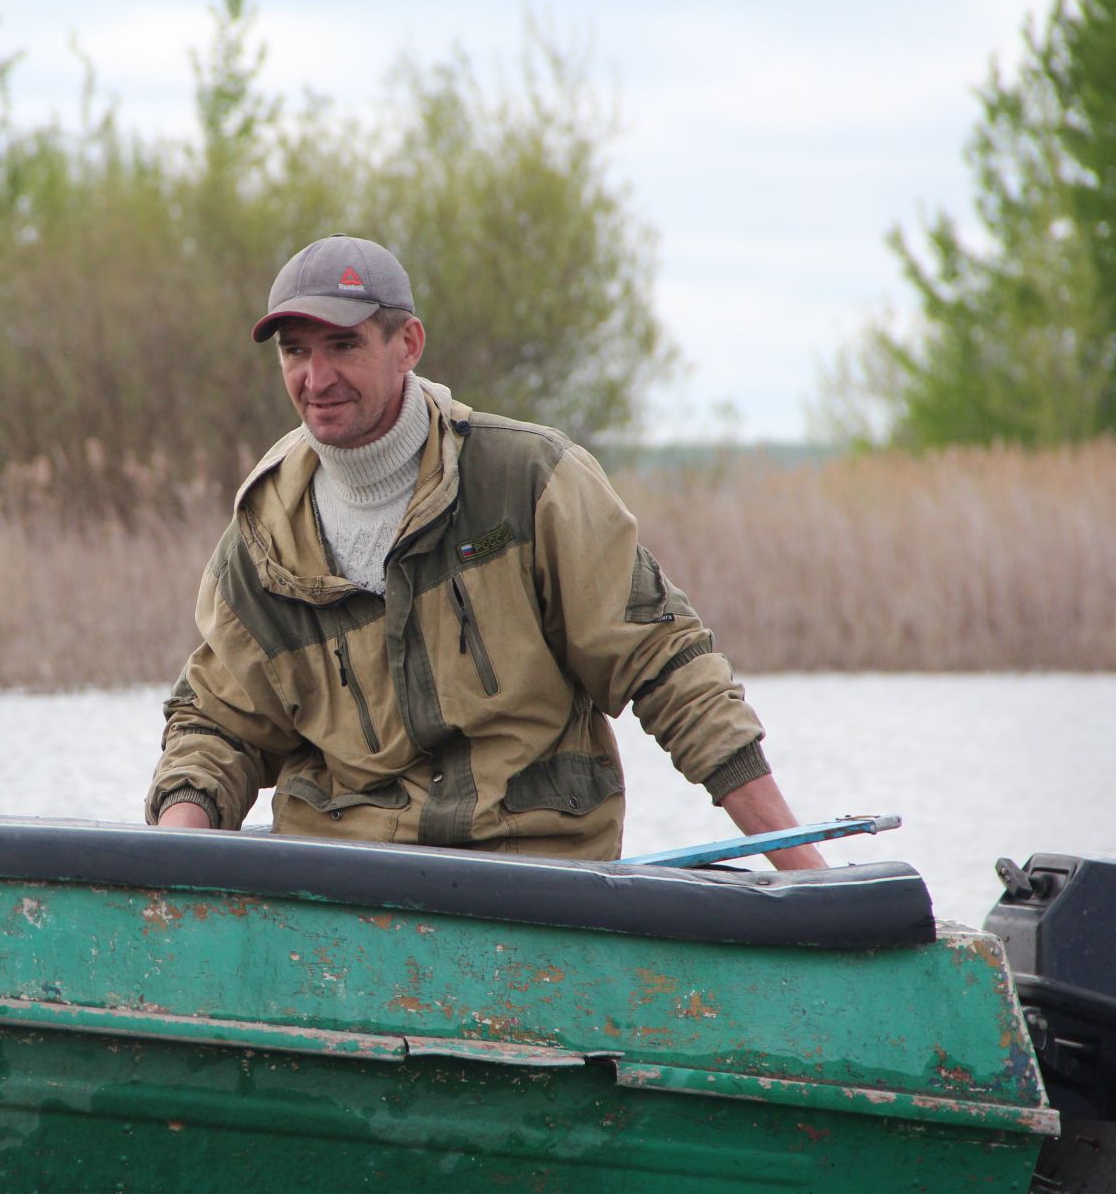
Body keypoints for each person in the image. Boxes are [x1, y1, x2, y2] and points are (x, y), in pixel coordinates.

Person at [145, 234, 825, 870]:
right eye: (295, 352)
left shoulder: (532, 480)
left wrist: (805, 870)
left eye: (343, 346)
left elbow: (667, 669)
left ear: (407, 343)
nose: (316, 378)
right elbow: (216, 727)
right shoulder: (261, 541)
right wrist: (166, 868)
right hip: (348, 890)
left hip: (536, 877)